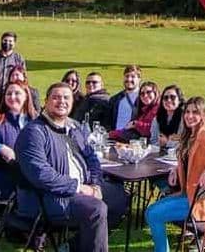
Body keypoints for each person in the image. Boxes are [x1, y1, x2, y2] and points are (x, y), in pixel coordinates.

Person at [15, 83, 128, 252]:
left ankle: (72, 247)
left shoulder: (74, 127)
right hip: (53, 197)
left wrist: (95, 185)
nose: (62, 101)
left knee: (120, 197)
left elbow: (92, 159)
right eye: (56, 97)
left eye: (66, 98)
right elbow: (41, 174)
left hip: (85, 187)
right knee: (96, 209)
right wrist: (78, 188)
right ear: (46, 102)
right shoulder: (34, 132)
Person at [145, 96, 205, 252]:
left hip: (201, 202)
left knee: (153, 214)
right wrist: (175, 169)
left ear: (203, 115)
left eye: (195, 112)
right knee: (151, 212)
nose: (189, 116)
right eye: (187, 112)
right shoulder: (187, 136)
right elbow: (188, 161)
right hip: (187, 195)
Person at [105, 65, 142, 131]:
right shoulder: (115, 99)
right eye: (127, 76)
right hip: (115, 137)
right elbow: (108, 121)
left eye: (133, 77)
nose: (129, 79)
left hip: (133, 138)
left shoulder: (144, 98)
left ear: (139, 79)